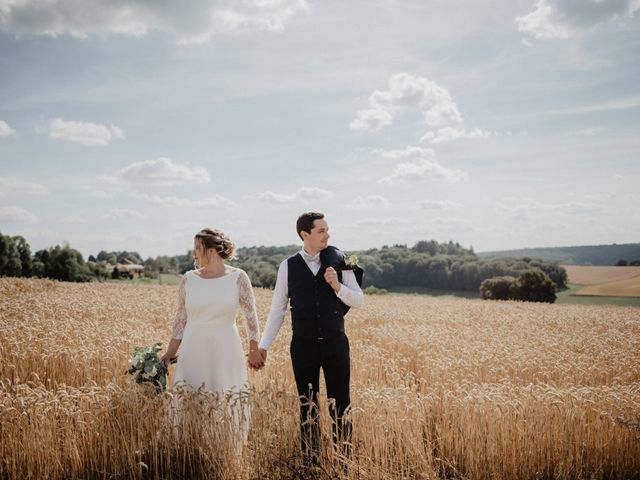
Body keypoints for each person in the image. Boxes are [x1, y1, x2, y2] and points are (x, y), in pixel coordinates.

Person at [257, 212, 364, 463]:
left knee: (341, 405)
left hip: (336, 345)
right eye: (321, 231)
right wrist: (263, 346)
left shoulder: (341, 260)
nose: (327, 235)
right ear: (305, 235)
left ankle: (343, 463)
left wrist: (337, 286)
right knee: (308, 406)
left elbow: (359, 300)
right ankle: (311, 463)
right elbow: (277, 310)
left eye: (327, 230)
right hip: (303, 346)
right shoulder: (287, 266)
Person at [160, 228, 264, 447]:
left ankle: (226, 450)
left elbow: (250, 317)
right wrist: (170, 353)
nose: (193, 254)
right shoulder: (189, 279)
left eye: (197, 248)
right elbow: (180, 319)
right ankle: (187, 449)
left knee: (226, 395)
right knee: (189, 395)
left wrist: (254, 349)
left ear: (212, 250)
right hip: (193, 348)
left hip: (226, 348)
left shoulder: (238, 277)